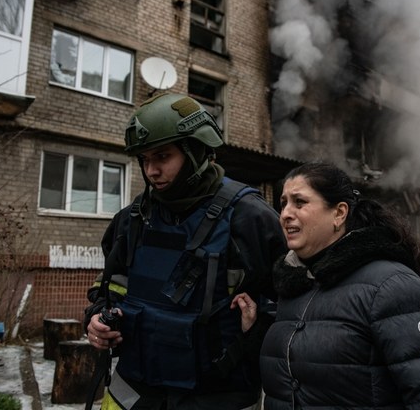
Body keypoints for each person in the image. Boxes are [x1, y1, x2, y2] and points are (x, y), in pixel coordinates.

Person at [83, 92, 287, 410]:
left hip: (217, 396)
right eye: (145, 160)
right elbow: (108, 286)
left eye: (162, 157)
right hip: (132, 394)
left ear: (195, 150)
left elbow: (295, 301)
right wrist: (96, 318)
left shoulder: (250, 217)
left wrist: (259, 327)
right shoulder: (132, 219)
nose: (151, 171)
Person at [255, 161, 420, 409]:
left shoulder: (392, 286)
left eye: (299, 202)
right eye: (283, 203)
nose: (285, 214)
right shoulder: (294, 285)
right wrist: (255, 328)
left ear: (339, 213)